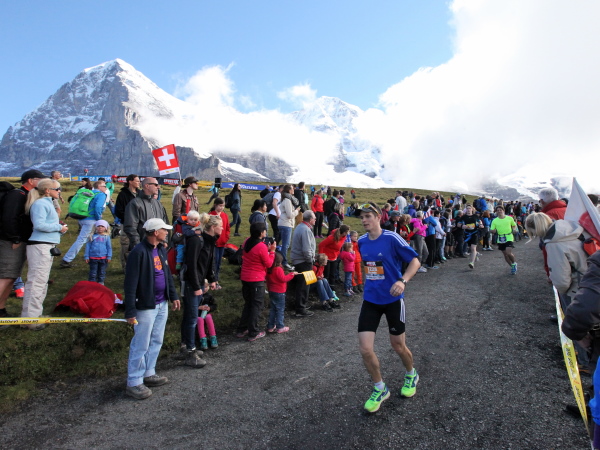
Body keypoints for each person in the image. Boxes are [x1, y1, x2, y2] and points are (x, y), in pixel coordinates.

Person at [356, 202, 421, 413]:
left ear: (378, 217)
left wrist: (402, 280)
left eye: (368, 216)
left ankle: (411, 374)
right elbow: (370, 267)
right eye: (362, 217)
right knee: (365, 349)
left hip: (393, 300)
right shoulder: (362, 241)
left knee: (398, 346)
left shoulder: (392, 238)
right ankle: (380, 388)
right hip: (371, 300)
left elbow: (415, 262)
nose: (364, 220)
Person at [124, 218, 181, 400]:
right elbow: (130, 283)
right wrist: (130, 310)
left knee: (157, 339)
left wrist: (173, 295)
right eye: (164, 230)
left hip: (162, 303)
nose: (167, 232)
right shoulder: (138, 252)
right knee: (141, 343)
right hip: (146, 306)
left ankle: (149, 372)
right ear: (155, 232)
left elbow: (167, 275)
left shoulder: (161, 249)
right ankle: (134, 381)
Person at [19, 178, 67, 330]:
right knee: (36, 282)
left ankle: (33, 315)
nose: (59, 191)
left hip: (46, 245)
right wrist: (58, 227)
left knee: (41, 281)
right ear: (47, 190)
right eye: (57, 189)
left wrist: (59, 229)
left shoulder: (47, 203)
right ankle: (31, 319)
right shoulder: (40, 204)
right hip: (40, 246)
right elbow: (39, 225)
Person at [0, 169, 43, 318]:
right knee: (5, 276)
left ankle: (1, 310)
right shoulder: (17, 195)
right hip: (10, 242)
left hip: (19, 240)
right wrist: (15, 238)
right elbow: (8, 218)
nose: (42, 182)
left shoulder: (27, 195)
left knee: (11, 276)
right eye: (39, 179)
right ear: (31, 181)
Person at [182, 213, 221, 367]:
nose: (222, 228)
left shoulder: (210, 241)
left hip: (198, 283)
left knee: (190, 317)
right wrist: (196, 286)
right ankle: (190, 352)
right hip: (192, 284)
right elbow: (191, 265)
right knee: (191, 318)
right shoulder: (197, 240)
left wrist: (212, 279)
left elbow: (209, 262)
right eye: (220, 226)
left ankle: (187, 346)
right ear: (213, 227)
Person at [235, 222, 276, 341]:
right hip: (256, 279)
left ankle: (242, 329)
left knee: (248, 303)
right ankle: (253, 332)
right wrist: (272, 251)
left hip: (245, 277)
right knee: (256, 305)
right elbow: (268, 263)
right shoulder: (261, 247)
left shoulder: (247, 241)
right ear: (261, 233)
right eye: (265, 231)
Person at [60, 180, 108, 268]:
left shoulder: (89, 193)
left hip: (82, 218)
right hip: (91, 219)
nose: (106, 188)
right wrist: (99, 219)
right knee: (81, 240)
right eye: (104, 186)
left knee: (90, 238)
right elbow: (98, 207)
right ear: (99, 187)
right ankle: (67, 259)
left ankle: (92, 255)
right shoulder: (101, 195)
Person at [124, 177, 170, 250]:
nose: (158, 187)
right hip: (143, 246)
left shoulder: (158, 204)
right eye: (156, 185)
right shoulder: (135, 204)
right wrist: (138, 245)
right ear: (147, 186)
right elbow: (130, 227)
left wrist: (164, 240)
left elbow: (164, 223)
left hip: (159, 246)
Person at [290, 210, 317, 317]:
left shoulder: (300, 227)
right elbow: (306, 249)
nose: (315, 219)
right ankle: (300, 309)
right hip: (303, 261)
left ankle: (302, 305)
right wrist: (310, 259)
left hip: (300, 260)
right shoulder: (305, 230)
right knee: (304, 285)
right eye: (314, 218)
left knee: (304, 284)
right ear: (310, 220)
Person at [114, 174, 141, 270]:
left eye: (139, 181)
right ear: (130, 181)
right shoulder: (123, 194)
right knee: (126, 245)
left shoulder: (140, 194)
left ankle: (138, 266)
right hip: (127, 224)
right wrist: (128, 219)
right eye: (137, 181)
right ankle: (126, 267)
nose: (139, 183)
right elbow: (118, 211)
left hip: (140, 224)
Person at [266, 252, 297, 334]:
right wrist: (291, 274)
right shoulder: (278, 269)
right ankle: (280, 326)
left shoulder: (269, 269)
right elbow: (283, 279)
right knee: (280, 309)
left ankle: (270, 326)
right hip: (279, 291)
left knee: (273, 309)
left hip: (271, 291)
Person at [209, 198, 231, 289]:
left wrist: (226, 237)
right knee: (213, 262)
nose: (222, 207)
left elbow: (227, 228)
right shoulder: (210, 215)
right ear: (215, 205)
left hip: (222, 243)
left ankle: (216, 279)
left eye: (223, 206)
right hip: (213, 243)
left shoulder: (225, 215)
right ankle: (212, 280)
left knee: (218, 262)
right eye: (220, 205)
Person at [490, 205, 518, 275]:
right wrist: (493, 231)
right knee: (505, 255)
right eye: (498, 210)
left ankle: (514, 263)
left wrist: (514, 229)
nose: (499, 211)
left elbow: (514, 225)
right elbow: (492, 229)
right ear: (496, 212)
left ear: (503, 211)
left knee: (508, 252)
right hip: (500, 238)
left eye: (500, 210)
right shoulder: (495, 220)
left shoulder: (509, 218)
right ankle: (512, 267)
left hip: (509, 236)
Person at [278, 184, 300, 271]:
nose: (294, 189)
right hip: (286, 224)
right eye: (292, 188)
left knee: (284, 244)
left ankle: (280, 261)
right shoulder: (287, 200)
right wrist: (296, 211)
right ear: (289, 190)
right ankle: (284, 262)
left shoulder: (286, 199)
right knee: (285, 245)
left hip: (284, 223)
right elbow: (290, 215)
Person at [84, 219, 112, 285]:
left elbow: (109, 247)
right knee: (93, 272)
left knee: (102, 272)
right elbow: (88, 247)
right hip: (93, 258)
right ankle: (92, 284)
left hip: (103, 258)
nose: (100, 228)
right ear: (95, 227)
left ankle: (100, 283)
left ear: (106, 228)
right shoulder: (91, 236)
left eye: (102, 226)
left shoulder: (106, 237)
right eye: (98, 226)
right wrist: (86, 256)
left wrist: (109, 256)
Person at [457, 205, 483, 270]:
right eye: (467, 208)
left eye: (469, 208)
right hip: (467, 234)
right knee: (471, 248)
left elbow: (480, 221)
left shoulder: (475, 216)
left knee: (473, 248)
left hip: (474, 233)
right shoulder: (463, 217)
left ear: (472, 209)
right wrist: (462, 226)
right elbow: (458, 224)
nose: (468, 210)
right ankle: (475, 254)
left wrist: (481, 225)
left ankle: (472, 263)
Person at [197, 280, 219, 350]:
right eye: (202, 287)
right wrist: (199, 307)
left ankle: (213, 337)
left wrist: (210, 308)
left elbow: (214, 305)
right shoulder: (196, 296)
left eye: (206, 287)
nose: (204, 289)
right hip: (198, 314)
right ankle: (203, 339)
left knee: (208, 318)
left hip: (206, 313)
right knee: (200, 320)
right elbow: (191, 306)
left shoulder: (209, 296)